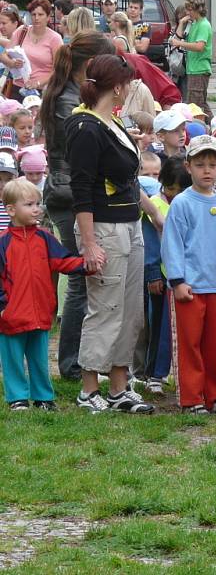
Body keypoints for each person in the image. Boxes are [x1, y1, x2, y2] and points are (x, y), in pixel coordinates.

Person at [65, 54, 155, 414]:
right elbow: (82, 189)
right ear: (117, 86)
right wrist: (88, 243)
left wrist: (153, 216)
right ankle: (89, 388)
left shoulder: (111, 122)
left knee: (131, 310)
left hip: (129, 225)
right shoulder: (85, 128)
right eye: (129, 81)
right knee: (105, 309)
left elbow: (127, 179)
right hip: (103, 228)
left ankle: (119, 385)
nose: (132, 87)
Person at [40, 32, 116, 383]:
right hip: (68, 194)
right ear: (91, 65)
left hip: (68, 191)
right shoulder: (68, 101)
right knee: (80, 280)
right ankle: (71, 363)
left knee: (82, 280)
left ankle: (77, 360)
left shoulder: (67, 93)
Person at [161, 135, 216, 414]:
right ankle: (192, 398)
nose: (207, 170)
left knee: (214, 345)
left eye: (212, 164)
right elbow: (172, 243)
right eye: (200, 164)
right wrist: (178, 280)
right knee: (190, 344)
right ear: (188, 167)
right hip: (191, 288)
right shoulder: (182, 203)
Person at [0, 179, 88, 411]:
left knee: (39, 359)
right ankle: (17, 398)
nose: (37, 208)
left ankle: (43, 397)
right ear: (11, 210)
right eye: (29, 204)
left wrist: (86, 264)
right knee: (13, 361)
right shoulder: (3, 243)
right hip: (10, 316)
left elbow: (62, 260)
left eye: (38, 203)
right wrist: (3, 308)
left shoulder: (45, 238)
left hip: (40, 312)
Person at [141, 156, 192, 394]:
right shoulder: (154, 204)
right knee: (159, 328)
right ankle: (155, 375)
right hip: (161, 277)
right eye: (170, 188)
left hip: (186, 275)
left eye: (179, 190)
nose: (173, 194)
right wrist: (152, 274)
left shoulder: (190, 202)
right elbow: (150, 244)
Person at [8, 0, 63, 101]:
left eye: (40, 14)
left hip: (42, 91)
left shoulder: (55, 38)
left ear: (48, 17)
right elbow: (6, 54)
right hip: (19, 87)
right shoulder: (21, 31)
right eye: (33, 14)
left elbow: (59, 70)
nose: (36, 18)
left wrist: (38, 83)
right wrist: (12, 62)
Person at [171, 0, 213, 120]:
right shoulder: (193, 24)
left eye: (189, 10)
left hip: (199, 69)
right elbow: (178, 37)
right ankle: (215, 125)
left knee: (196, 106)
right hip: (193, 69)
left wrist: (180, 44)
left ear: (197, 9)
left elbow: (200, 46)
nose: (187, 13)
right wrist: (182, 22)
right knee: (199, 103)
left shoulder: (203, 25)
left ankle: (206, 128)